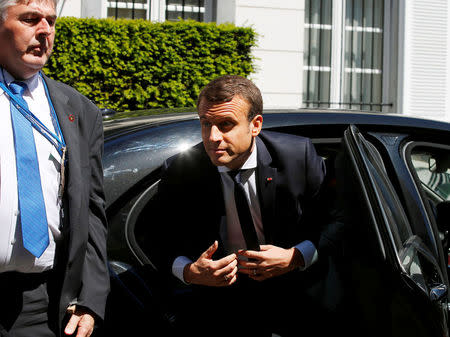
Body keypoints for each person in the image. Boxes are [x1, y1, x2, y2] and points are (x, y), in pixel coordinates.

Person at [142, 75, 343, 336]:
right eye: (205, 124)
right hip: (218, 307)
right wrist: (190, 272)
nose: (213, 137)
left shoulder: (297, 156)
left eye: (226, 124)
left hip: (298, 295)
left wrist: (295, 257)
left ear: (255, 125)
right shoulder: (182, 169)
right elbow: (153, 235)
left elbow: (339, 220)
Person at [0, 1, 109, 336]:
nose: (44, 31)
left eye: (51, 21)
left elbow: (91, 209)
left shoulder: (78, 110)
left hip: (40, 304)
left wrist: (90, 298)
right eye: (30, 19)